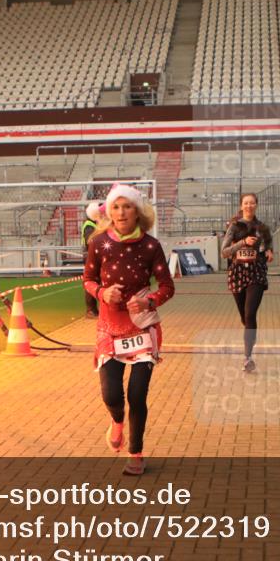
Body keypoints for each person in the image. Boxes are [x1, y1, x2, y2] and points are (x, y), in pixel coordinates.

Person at [83, 183, 174, 476]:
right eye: (116, 207)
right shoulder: (98, 243)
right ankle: (117, 422)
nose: (121, 212)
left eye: (128, 206)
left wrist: (150, 299)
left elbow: (167, 286)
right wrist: (102, 293)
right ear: (109, 211)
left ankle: (136, 452)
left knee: (137, 394)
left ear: (138, 212)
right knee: (111, 395)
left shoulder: (150, 246)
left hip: (141, 329)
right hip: (110, 329)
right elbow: (87, 279)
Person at [221, 193, 273, 373]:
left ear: (256, 205)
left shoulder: (263, 228)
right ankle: (249, 336)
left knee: (250, 314)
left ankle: (247, 357)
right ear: (241, 206)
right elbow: (224, 252)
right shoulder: (234, 227)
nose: (249, 206)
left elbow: (268, 245)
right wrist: (242, 243)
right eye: (246, 203)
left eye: (252, 203)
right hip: (237, 274)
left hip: (256, 274)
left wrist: (269, 252)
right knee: (245, 317)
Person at [81, 201, 104, 318]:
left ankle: (98, 310)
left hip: (97, 257)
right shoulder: (89, 226)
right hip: (92, 258)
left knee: (99, 282)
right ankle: (91, 310)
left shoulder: (95, 224)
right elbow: (92, 241)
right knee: (91, 282)